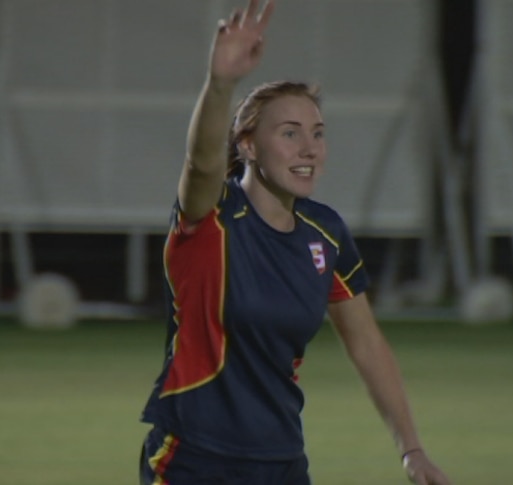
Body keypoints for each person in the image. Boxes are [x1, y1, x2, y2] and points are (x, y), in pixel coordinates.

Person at [139, 1, 451, 483]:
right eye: (290, 133)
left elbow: (366, 342)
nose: (309, 149)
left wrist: (411, 449)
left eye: (318, 134)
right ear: (247, 144)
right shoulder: (212, 218)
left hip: (281, 461)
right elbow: (201, 163)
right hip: (194, 459)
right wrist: (220, 84)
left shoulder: (326, 233)